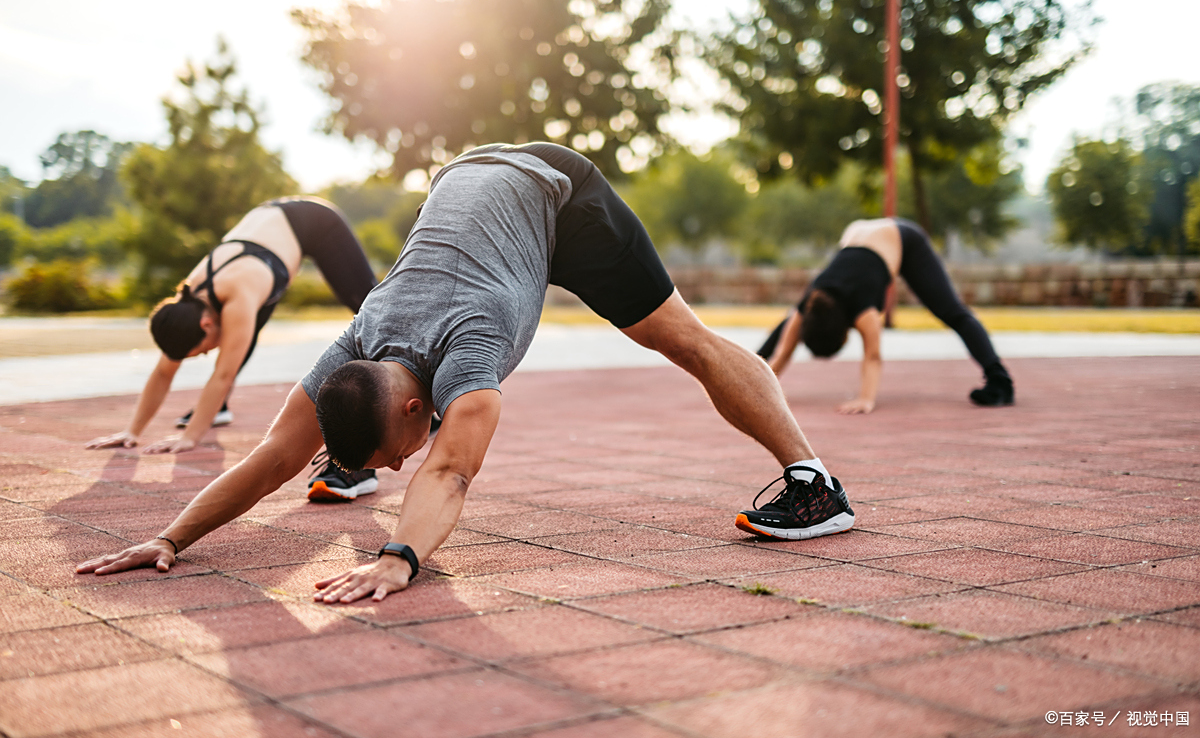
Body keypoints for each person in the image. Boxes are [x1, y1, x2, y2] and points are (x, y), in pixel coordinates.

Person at [76, 143, 854, 603]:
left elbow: (448, 475)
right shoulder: (360, 333)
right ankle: (343, 462)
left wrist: (399, 558)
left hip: (559, 194)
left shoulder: (472, 352)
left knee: (682, 340)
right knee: (327, 448)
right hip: (462, 179)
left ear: (417, 405)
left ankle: (815, 483)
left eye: (390, 453)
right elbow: (273, 456)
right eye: (386, 466)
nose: (402, 464)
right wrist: (172, 535)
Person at [84, 196, 383, 502]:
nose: (203, 355)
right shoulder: (185, 307)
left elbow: (223, 374)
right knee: (239, 339)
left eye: (200, 351)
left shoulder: (239, 294)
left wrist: (190, 438)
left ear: (205, 325)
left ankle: (413, 389)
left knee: (375, 312)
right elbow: (163, 371)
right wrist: (132, 432)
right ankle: (219, 407)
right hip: (267, 229)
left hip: (315, 222)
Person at [758, 217, 1014, 414]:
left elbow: (873, 356)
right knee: (790, 321)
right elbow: (782, 352)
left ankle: (1000, 380)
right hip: (858, 234)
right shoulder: (811, 302)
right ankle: (752, 364)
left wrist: (866, 398)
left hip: (903, 238)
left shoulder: (862, 310)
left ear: (847, 328)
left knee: (953, 312)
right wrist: (755, 388)